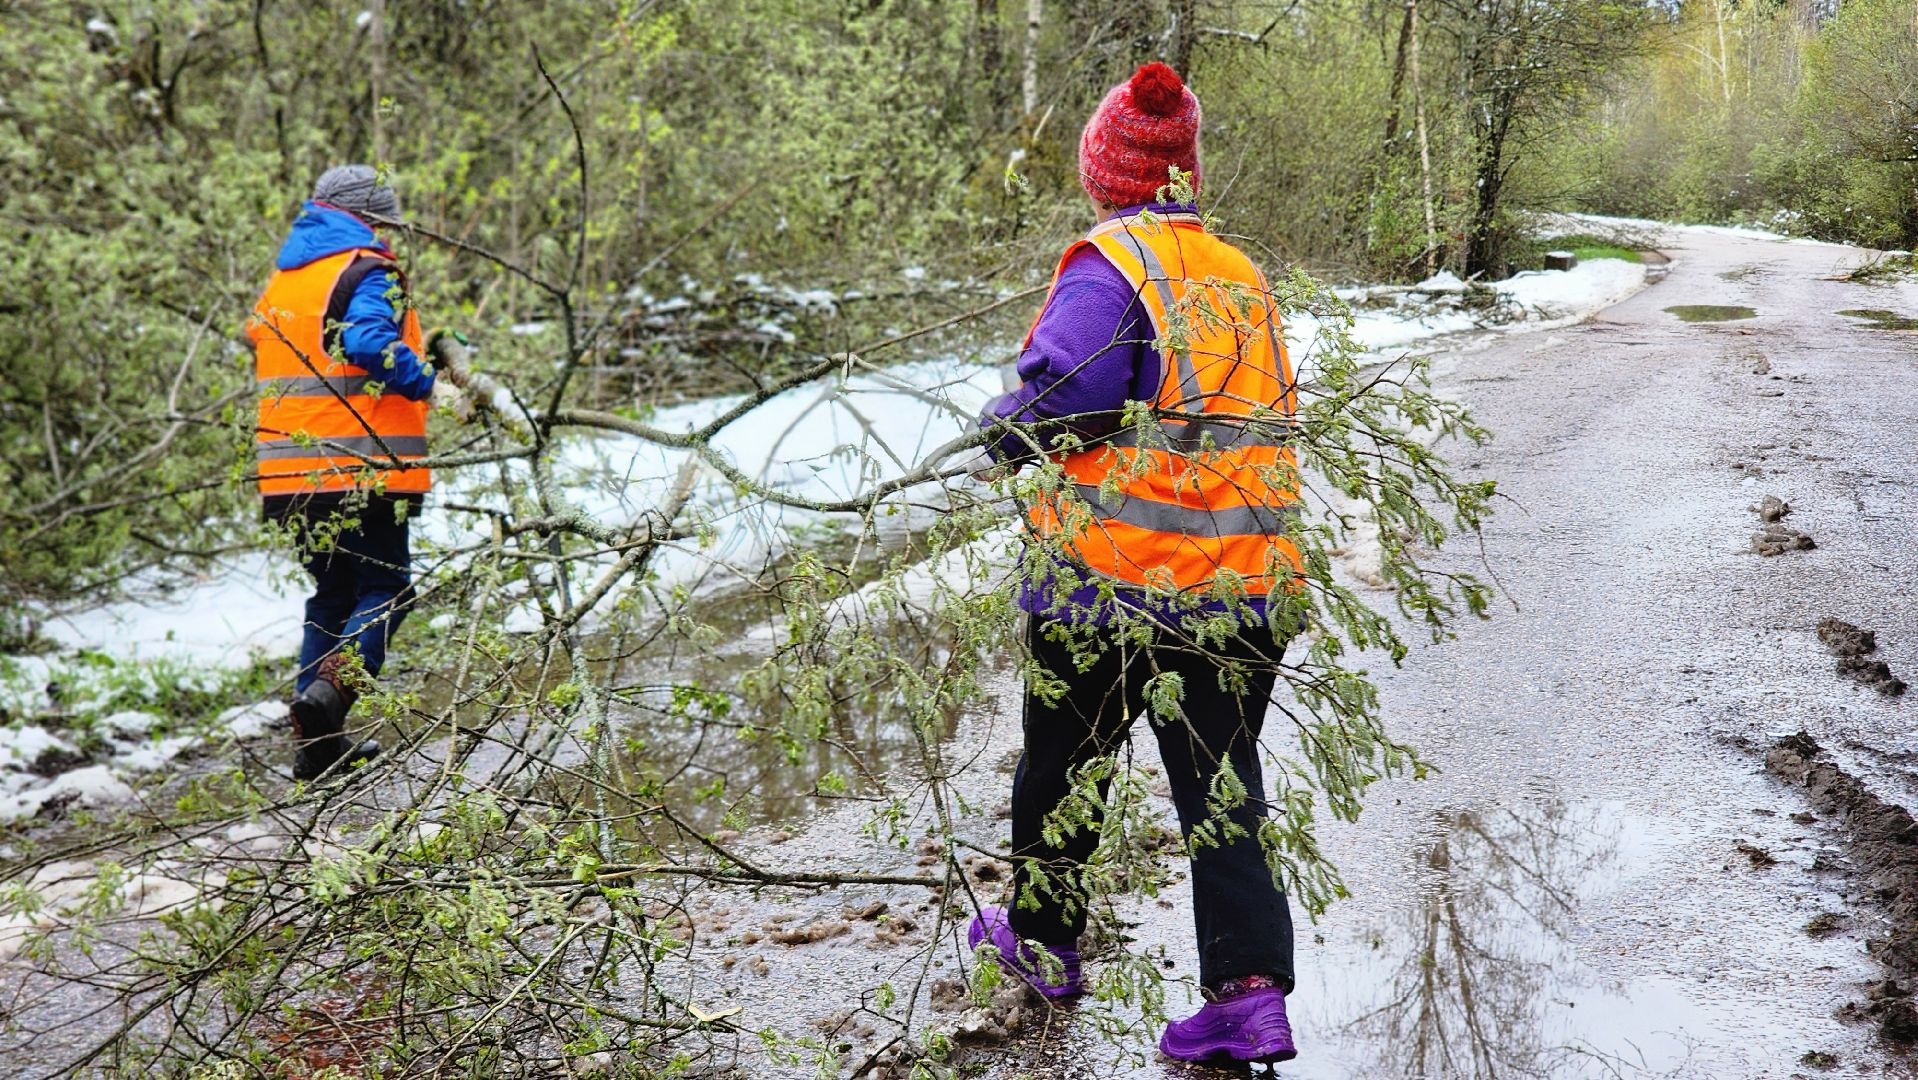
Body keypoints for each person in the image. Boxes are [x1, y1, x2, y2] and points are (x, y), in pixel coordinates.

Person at [968, 63, 1302, 1066]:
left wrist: (1000, 428)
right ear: (1184, 174)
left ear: (1105, 170)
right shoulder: (1237, 274)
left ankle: (1042, 945)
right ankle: (1246, 999)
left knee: (1062, 765)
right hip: (1243, 583)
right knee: (1220, 784)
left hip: (1112, 581)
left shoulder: (1112, 266)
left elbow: (1065, 400)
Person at [248, 165, 435, 781]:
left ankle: (316, 749)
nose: (388, 235)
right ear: (366, 219)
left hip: (287, 476)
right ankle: (329, 699)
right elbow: (366, 344)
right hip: (362, 468)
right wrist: (429, 381)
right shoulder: (369, 269)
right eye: (384, 223)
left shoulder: (286, 280)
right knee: (387, 591)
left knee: (332, 593)